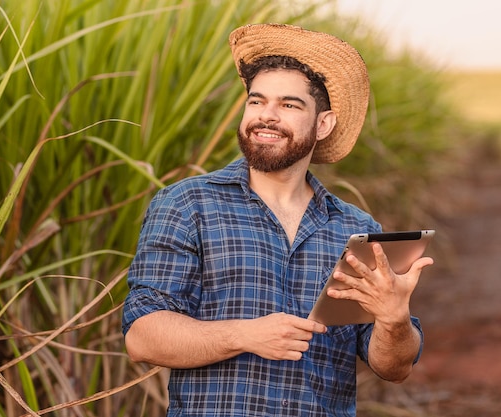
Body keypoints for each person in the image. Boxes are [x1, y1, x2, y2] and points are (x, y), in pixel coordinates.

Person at [122, 23, 433, 416]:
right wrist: (245, 335)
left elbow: (394, 367)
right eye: (256, 101)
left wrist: (394, 320)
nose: (266, 116)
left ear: (323, 124)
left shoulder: (356, 228)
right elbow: (143, 337)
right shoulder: (186, 205)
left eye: (289, 105)